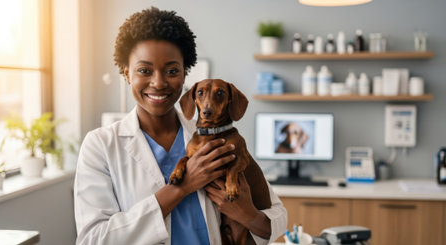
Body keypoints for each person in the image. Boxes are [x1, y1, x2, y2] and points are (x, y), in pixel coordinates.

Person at [74, 7, 287, 245]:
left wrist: (248, 215)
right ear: (126, 74)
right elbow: (93, 240)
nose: (158, 82)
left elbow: (278, 216)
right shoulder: (100, 145)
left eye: (172, 70)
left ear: (185, 74)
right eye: (144, 70)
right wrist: (181, 188)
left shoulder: (215, 134)